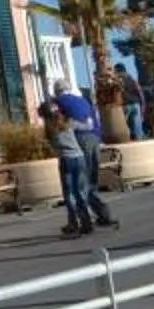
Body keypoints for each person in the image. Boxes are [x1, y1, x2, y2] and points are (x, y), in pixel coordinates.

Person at [54, 88, 117, 233]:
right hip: (93, 140)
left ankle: (82, 220)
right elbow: (89, 123)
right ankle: (94, 217)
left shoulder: (59, 105)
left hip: (77, 150)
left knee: (75, 190)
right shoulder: (81, 103)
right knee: (88, 184)